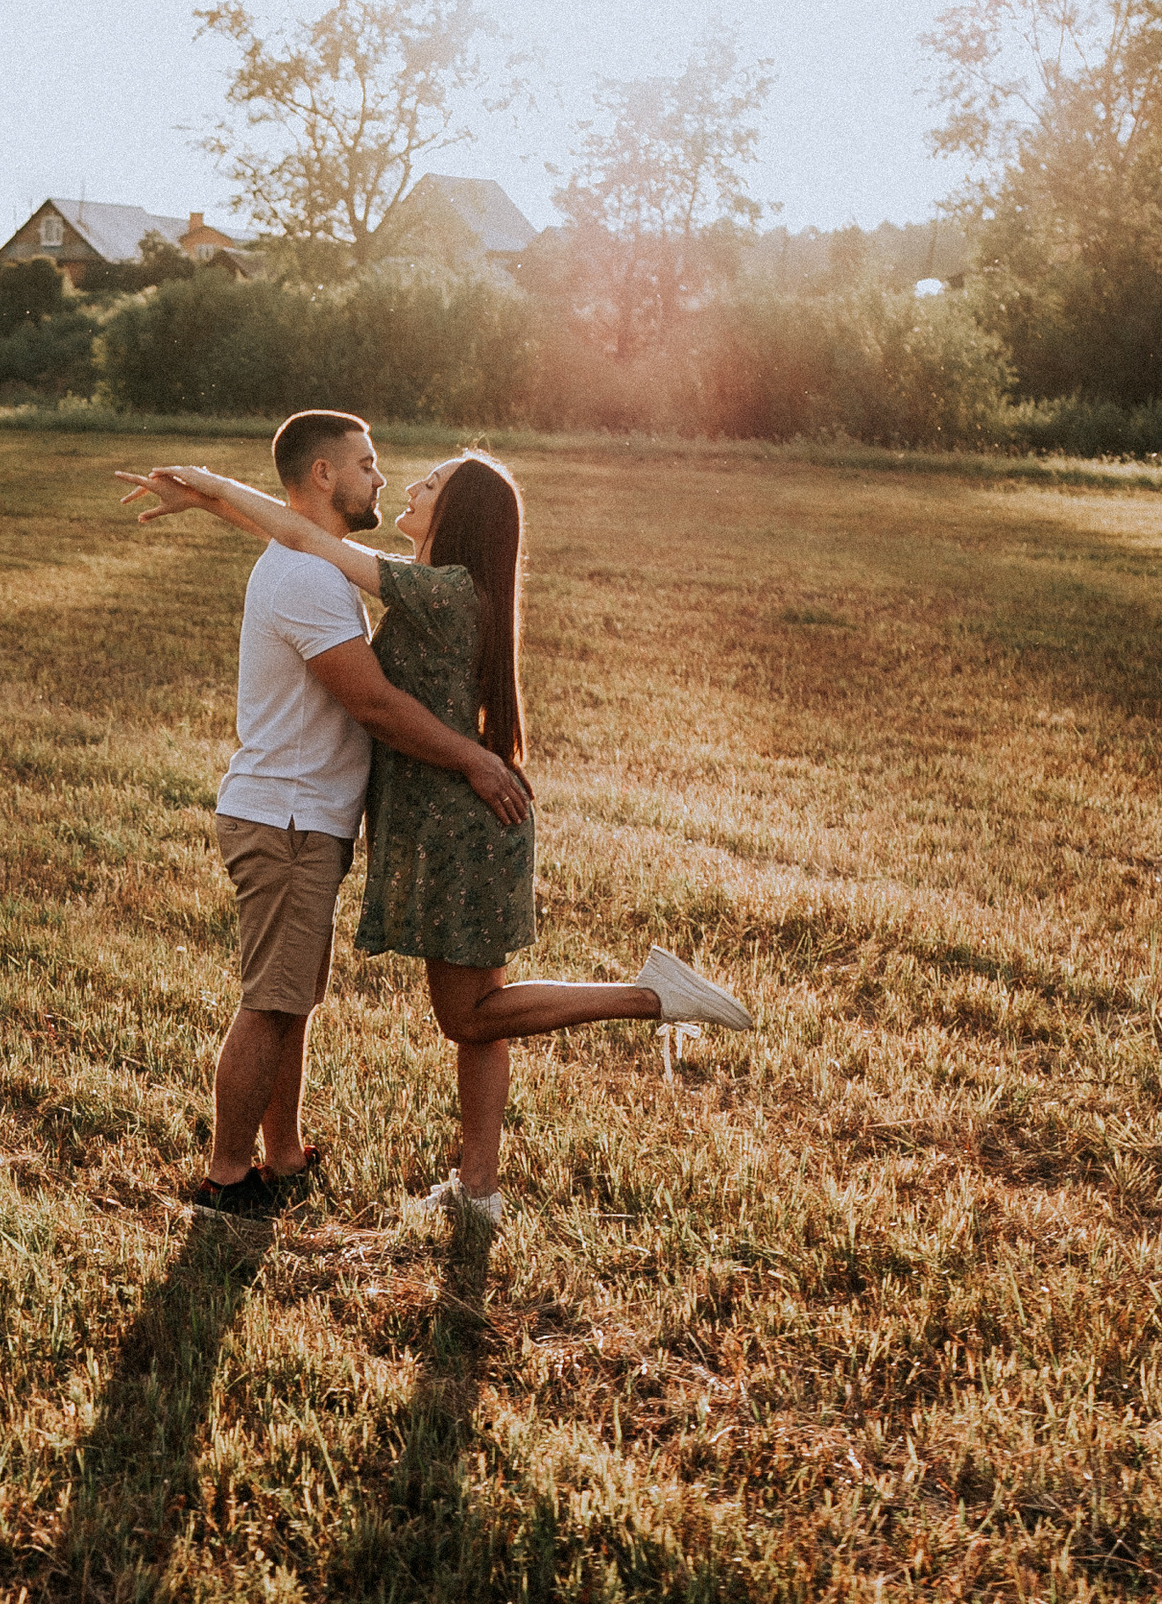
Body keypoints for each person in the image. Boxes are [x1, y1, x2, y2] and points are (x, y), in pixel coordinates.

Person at [124, 433, 756, 1233]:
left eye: (429, 483)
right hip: (459, 818)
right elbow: (302, 539)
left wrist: (211, 485)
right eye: (390, 471)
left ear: (459, 515)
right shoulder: (444, 587)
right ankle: (477, 1190)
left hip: (460, 824)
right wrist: (210, 498)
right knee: (480, 1012)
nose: (405, 486)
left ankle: (652, 994)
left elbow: (308, 544)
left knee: (471, 1016)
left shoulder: (443, 590)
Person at [147, 408, 537, 1228]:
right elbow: (375, 704)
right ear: (323, 475)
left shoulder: (318, 563)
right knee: (272, 1001)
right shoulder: (309, 576)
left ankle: (284, 1151)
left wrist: (212, 495)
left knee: (291, 997)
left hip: (304, 816)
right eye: (367, 464)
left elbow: (296, 529)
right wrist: (473, 758)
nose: (385, 478)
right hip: (288, 816)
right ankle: (225, 1179)